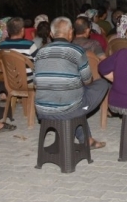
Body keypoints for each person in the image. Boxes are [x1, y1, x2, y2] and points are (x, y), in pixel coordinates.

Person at [34, 16, 108, 149]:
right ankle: (87, 139)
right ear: (70, 33)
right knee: (101, 84)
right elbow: (87, 80)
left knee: (75, 95)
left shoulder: (40, 53)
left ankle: (87, 139)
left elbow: (36, 83)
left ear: (51, 34)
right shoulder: (76, 51)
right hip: (69, 109)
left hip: (42, 110)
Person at [0, 17, 37, 86]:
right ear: (22, 30)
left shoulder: (1, 46)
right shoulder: (30, 45)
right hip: (28, 83)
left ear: (8, 31)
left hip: (9, 83)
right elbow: (39, 63)